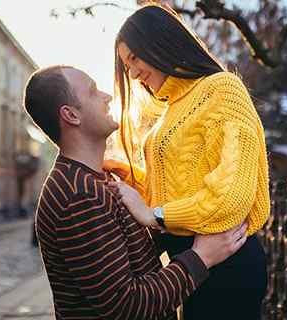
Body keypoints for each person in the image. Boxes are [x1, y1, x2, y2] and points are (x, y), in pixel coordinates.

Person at [23, 65, 249, 320]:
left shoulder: (94, 179)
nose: (107, 96)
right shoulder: (78, 193)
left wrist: (165, 219)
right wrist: (202, 256)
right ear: (71, 115)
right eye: (93, 91)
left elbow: (133, 257)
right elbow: (126, 305)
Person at [104, 4, 271, 320]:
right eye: (127, 66)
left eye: (134, 60)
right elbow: (177, 184)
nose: (133, 74)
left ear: (157, 42)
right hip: (195, 263)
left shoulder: (221, 89)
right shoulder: (171, 108)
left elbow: (231, 198)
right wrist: (126, 176)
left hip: (229, 265)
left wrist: (153, 216)